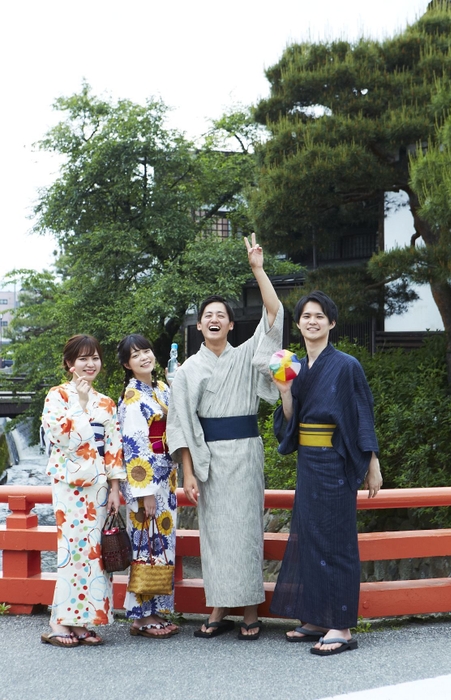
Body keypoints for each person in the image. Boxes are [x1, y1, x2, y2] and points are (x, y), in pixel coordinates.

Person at [166, 233, 283, 640]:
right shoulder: (186, 371)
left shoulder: (247, 356)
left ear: (231, 324)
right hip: (208, 458)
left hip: (246, 453)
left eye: (222, 315)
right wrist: (188, 473)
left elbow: (274, 314)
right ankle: (217, 607)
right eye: (207, 315)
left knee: (247, 528)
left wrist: (258, 269)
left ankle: (250, 608)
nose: (214, 319)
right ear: (199, 325)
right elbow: (180, 422)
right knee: (214, 534)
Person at [269, 291, 382, 656]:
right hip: (308, 463)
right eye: (306, 316)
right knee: (310, 538)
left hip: (335, 460)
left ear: (331, 323)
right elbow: (289, 424)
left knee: (337, 542)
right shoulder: (295, 368)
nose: (312, 321)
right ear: (299, 323)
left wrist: (372, 464)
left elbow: (363, 415)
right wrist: (286, 392)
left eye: (320, 316)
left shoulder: (347, 365)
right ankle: (317, 617)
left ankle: (342, 626)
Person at [40, 334, 125, 648]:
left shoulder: (107, 402)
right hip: (69, 485)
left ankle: (81, 622)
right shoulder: (57, 396)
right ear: (69, 364)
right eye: (82, 359)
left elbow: (113, 448)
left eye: (95, 358)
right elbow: (62, 439)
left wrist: (115, 486)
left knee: (94, 555)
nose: (90, 364)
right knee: (71, 553)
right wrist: (80, 403)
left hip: (100, 487)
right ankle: (58, 622)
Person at [117, 334, 179, 639]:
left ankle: (155, 610)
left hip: (165, 478)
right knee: (145, 546)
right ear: (128, 365)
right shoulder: (132, 397)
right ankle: (141, 616)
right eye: (136, 355)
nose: (144, 357)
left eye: (146, 351)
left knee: (161, 547)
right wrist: (145, 494)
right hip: (148, 483)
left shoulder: (161, 388)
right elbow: (135, 446)